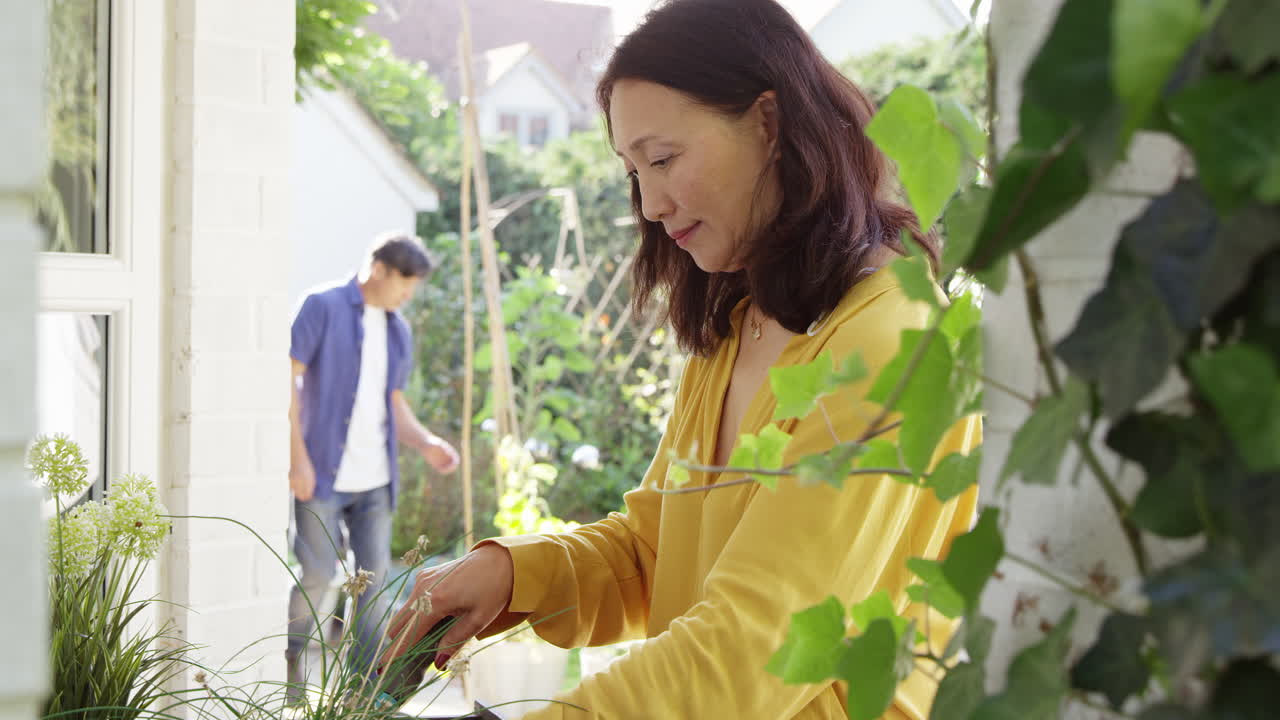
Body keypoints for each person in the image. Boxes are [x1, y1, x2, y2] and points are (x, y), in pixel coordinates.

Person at [383, 1, 980, 717]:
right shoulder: (739, 325)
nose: (652, 203)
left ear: (769, 123)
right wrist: (510, 574)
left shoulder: (893, 343)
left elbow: (755, 648)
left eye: (663, 159)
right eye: (633, 171)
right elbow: (657, 552)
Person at [286, 233, 460, 689]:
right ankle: (292, 677)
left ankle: (359, 692)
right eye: (406, 283)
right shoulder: (321, 307)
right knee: (319, 575)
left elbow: (393, 405)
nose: (408, 295)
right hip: (320, 473)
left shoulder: (398, 330)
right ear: (379, 269)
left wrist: (426, 443)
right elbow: (286, 381)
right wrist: (296, 458)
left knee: (374, 587)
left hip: (375, 482)